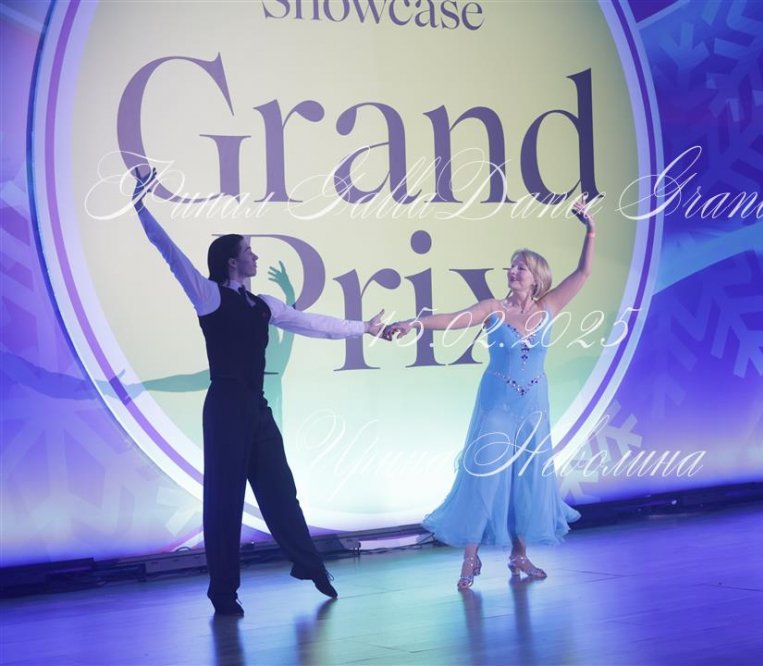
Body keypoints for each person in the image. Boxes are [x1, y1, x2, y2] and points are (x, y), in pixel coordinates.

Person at [131, 167, 385, 616]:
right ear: (232, 261)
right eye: (249, 251)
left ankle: (309, 566)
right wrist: (140, 204)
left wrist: (366, 327)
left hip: (255, 407)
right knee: (224, 501)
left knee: (280, 489)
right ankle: (223, 592)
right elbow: (169, 252)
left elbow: (313, 324)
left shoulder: (263, 304)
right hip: (225, 408)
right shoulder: (209, 296)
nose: (255, 256)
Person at [385, 196, 596, 590]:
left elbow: (584, 273)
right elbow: (451, 320)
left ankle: (519, 553)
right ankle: (470, 558)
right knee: (486, 476)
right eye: (512, 266)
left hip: (534, 404)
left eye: (521, 267)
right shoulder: (493, 309)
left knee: (526, 478)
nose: (513, 271)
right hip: (497, 403)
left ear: (537, 278)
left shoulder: (549, 307)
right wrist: (414, 324)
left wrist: (590, 229)